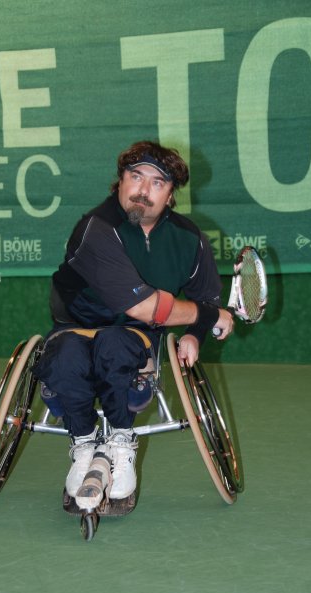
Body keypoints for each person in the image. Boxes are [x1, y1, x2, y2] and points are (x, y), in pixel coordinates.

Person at [33, 140, 234, 508]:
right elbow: (146, 307)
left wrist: (195, 334)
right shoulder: (97, 227)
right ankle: (83, 445)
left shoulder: (190, 240)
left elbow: (206, 297)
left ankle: (121, 443)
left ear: (171, 194)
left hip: (135, 338)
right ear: (120, 181)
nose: (143, 190)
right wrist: (209, 318)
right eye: (136, 176)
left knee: (116, 346)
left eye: (158, 183)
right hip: (76, 326)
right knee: (64, 356)